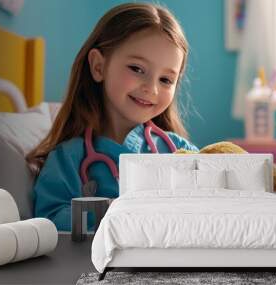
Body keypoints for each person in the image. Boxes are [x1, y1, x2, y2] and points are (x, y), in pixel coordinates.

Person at [26, 3, 199, 231]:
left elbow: (210, 203)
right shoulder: (68, 158)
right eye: (137, 68)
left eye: (165, 80)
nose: (152, 88)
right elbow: (49, 221)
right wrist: (114, 212)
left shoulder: (179, 151)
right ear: (98, 66)